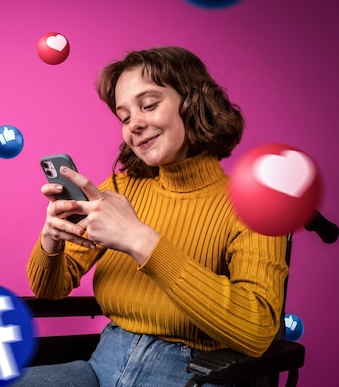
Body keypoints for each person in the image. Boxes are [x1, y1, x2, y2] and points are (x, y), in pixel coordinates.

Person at [15, 46, 288, 387]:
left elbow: (257, 330)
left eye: (149, 105)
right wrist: (51, 241)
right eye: (125, 117)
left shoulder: (254, 206)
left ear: (193, 103)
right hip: (102, 365)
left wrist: (141, 241)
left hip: (191, 375)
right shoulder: (119, 189)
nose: (135, 125)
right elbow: (49, 290)